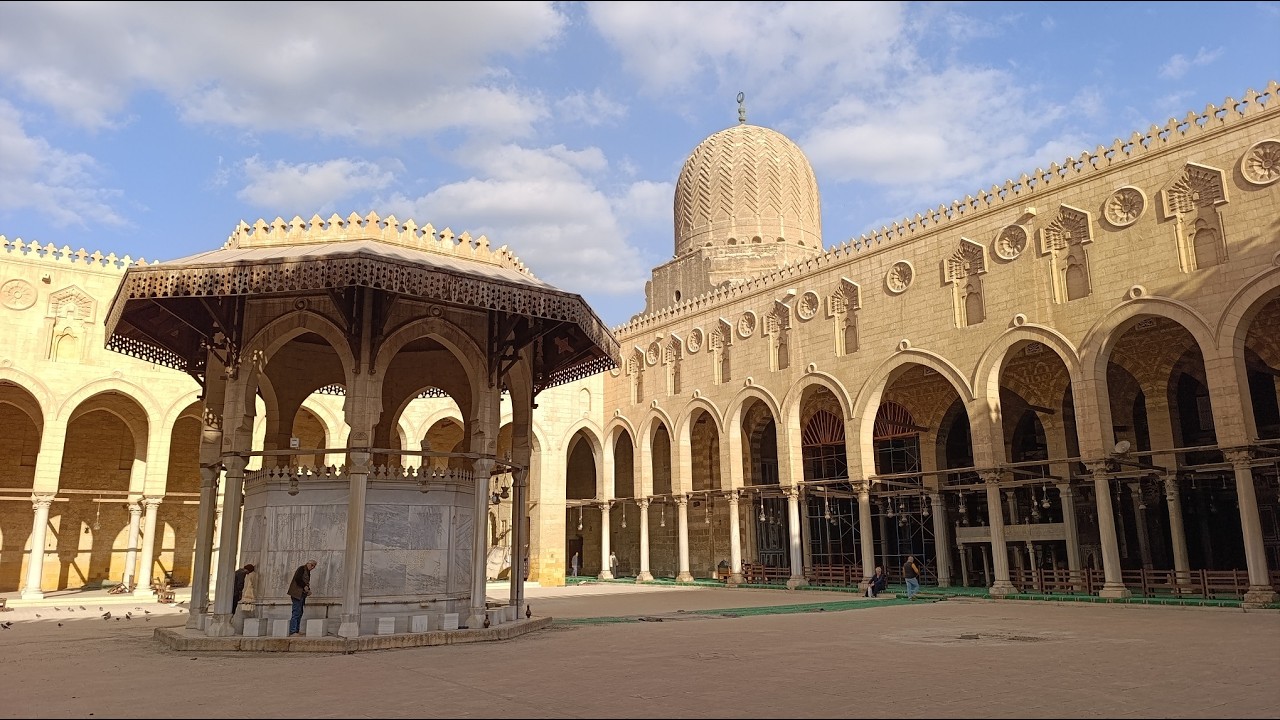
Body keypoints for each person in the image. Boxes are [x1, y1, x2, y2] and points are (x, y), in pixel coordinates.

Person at [287, 559, 317, 636]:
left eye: (314, 566)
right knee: (296, 612)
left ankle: (296, 630)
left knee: (300, 612)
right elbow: (298, 579)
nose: (313, 567)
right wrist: (304, 587)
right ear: (308, 563)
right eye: (312, 565)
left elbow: (306, 583)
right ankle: (293, 631)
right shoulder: (301, 569)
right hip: (296, 594)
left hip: (301, 594)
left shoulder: (308, 572)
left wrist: (308, 590)